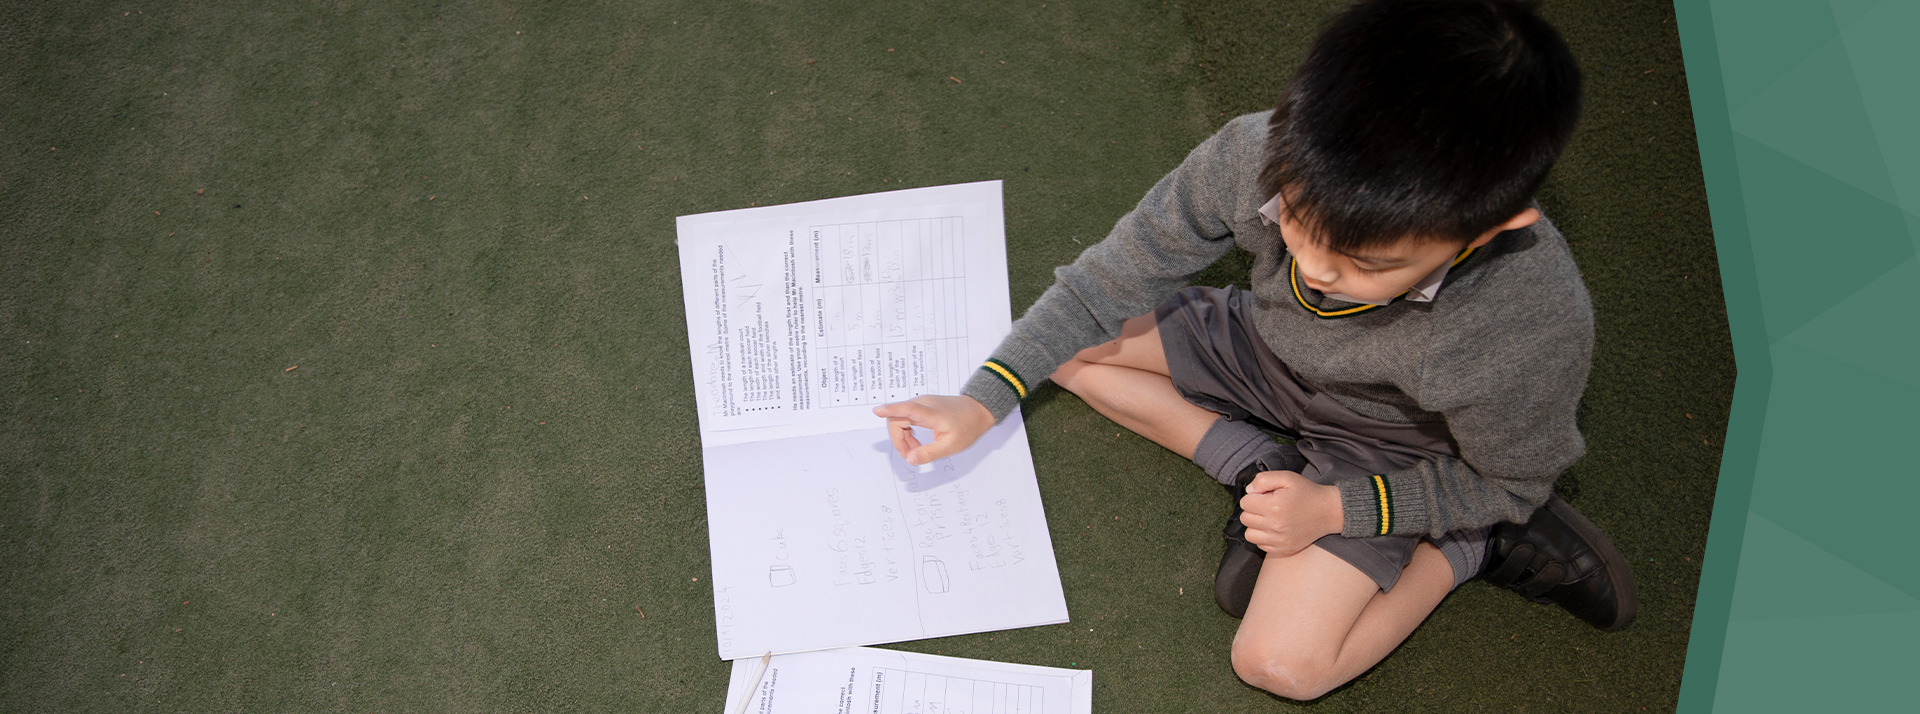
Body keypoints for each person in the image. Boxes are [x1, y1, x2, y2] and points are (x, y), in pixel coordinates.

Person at [874, 0, 1635, 701]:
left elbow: (1510, 480)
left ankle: (1469, 551)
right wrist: (982, 402)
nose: (1315, 271)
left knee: (1280, 665)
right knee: (1059, 346)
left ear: (1494, 227)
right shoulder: (1254, 151)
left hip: (1402, 442)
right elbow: (1101, 285)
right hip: (1264, 347)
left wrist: (1336, 508)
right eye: (1296, 218)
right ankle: (1258, 463)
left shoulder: (1522, 322)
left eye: (1367, 265)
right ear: (1294, 118)